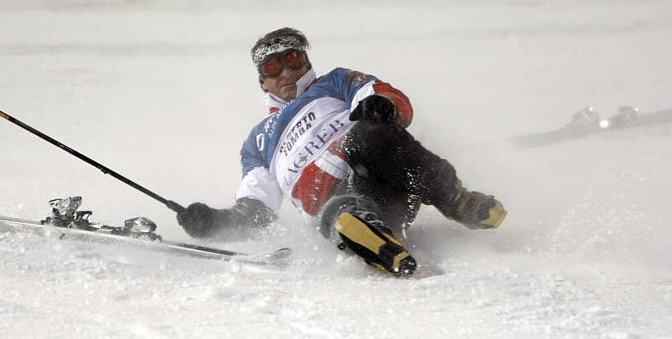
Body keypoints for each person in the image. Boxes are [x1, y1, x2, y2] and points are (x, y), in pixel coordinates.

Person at [177, 28, 506, 276]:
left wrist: (382, 106)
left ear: (307, 62)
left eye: (293, 60)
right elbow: (255, 211)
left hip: (376, 166)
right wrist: (212, 222)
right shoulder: (257, 142)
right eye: (274, 67)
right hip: (331, 196)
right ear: (262, 82)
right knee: (335, 207)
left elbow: (386, 95)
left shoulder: (334, 82)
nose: (287, 73)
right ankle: (371, 236)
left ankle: (455, 199)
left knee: (371, 132)